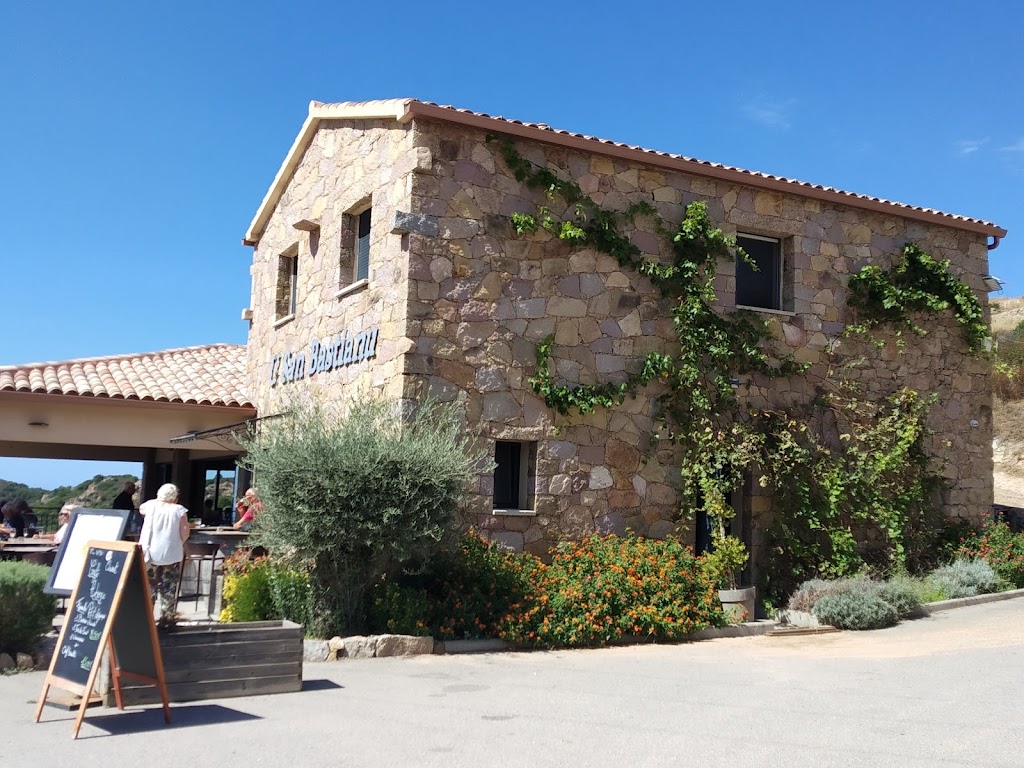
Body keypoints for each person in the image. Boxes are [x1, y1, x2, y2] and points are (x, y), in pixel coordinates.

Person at [139, 483, 190, 622]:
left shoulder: (151, 506)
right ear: (175, 497)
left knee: (150, 587)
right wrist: (178, 542)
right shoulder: (179, 510)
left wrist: (158, 500)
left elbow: (141, 508)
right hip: (170, 554)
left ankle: (146, 619)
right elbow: (185, 531)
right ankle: (166, 619)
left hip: (149, 554)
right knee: (168, 588)